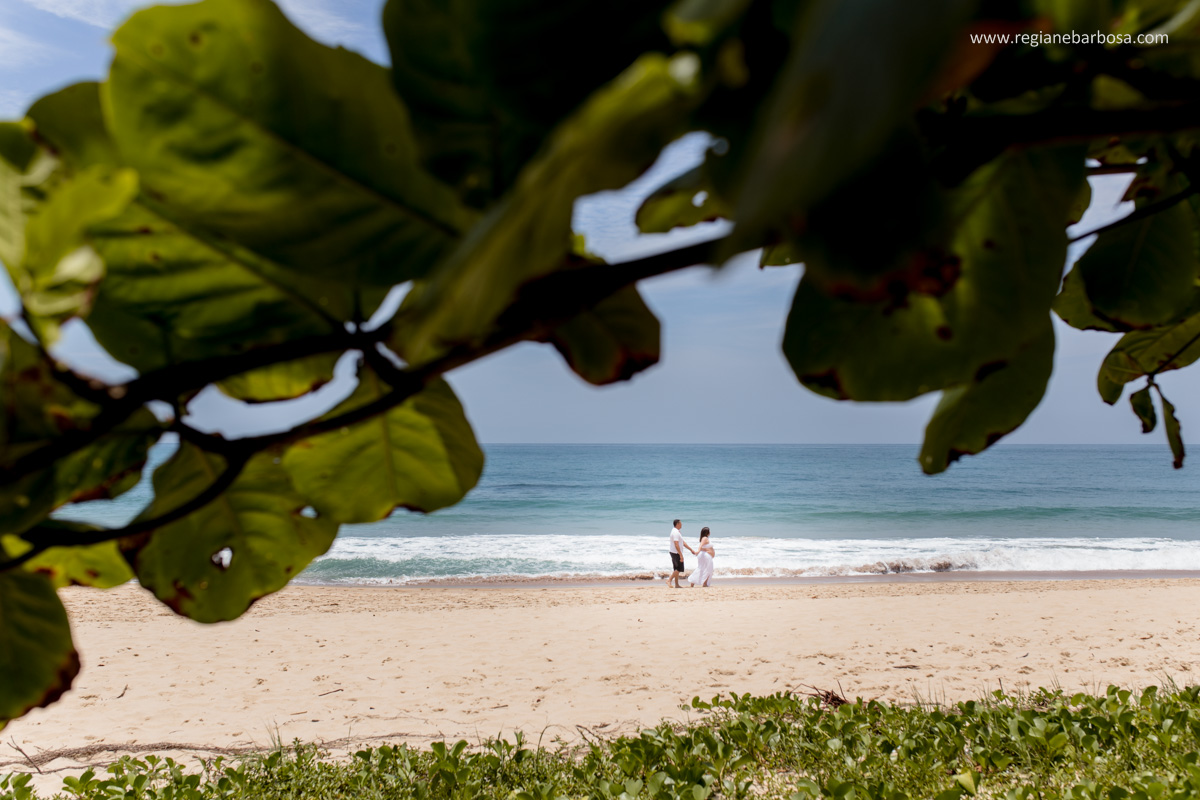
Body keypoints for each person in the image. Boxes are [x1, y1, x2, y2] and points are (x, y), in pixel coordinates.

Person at [667, 519, 695, 589]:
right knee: (679, 569)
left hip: (674, 552)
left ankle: (676, 584)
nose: (682, 524)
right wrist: (681, 555)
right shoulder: (675, 532)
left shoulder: (676, 531)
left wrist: (690, 549)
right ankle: (669, 580)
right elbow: (676, 544)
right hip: (676, 553)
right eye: (681, 523)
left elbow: (682, 543)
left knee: (676, 569)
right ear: (677, 524)